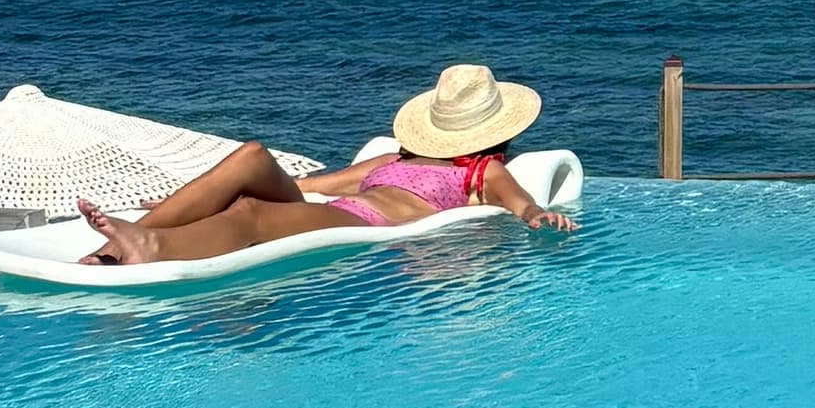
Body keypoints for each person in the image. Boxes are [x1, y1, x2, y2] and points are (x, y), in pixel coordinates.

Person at [78, 62, 568, 263]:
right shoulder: (393, 155)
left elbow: (518, 202)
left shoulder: (479, 172)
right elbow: (316, 182)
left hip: (369, 221)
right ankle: (129, 236)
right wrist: (188, 198)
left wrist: (535, 216)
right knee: (251, 156)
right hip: (337, 206)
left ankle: (151, 244)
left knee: (251, 212)